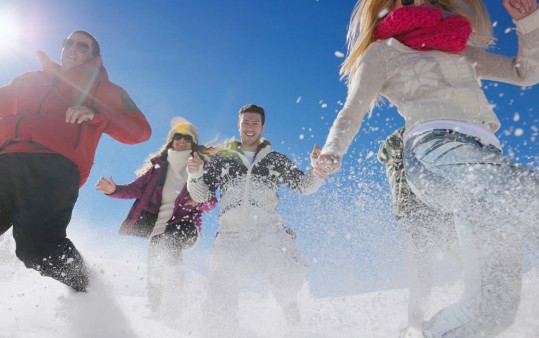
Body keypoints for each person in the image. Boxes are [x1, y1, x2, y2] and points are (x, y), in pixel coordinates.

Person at [314, 0, 539, 337]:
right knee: (523, 191)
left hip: (484, 164)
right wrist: (332, 152)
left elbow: (526, 73)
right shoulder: (383, 52)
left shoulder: (459, 50)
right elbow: (353, 109)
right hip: (433, 151)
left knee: (492, 312)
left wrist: (529, 23)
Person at [0, 30, 152, 292]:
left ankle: (90, 290)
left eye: (82, 46)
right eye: (68, 43)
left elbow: (140, 131)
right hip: (6, 160)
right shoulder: (30, 80)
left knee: (36, 248)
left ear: (94, 56)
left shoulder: (103, 89)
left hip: (55, 167)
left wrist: (96, 114)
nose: (72, 48)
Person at [186, 104, 326, 335]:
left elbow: (303, 186)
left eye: (255, 123)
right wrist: (194, 174)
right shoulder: (223, 159)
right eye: (246, 123)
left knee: (289, 272)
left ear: (263, 127)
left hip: (266, 233)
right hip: (230, 236)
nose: (250, 128)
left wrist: (317, 171)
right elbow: (201, 196)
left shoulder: (275, 160)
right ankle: (223, 331)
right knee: (220, 294)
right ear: (239, 125)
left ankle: (290, 308)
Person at [95, 120, 217, 315]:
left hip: (187, 226)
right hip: (158, 228)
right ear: (172, 141)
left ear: (193, 143)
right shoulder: (157, 168)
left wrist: (199, 201)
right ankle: (156, 312)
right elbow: (133, 189)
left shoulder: (200, 168)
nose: (182, 141)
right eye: (178, 136)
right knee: (154, 267)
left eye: (188, 138)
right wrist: (113, 190)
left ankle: (175, 304)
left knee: (169, 243)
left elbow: (211, 203)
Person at [377, 127, 459, 328]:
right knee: (421, 274)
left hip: (437, 210)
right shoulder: (397, 145)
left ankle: (479, 305)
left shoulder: (433, 139)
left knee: (466, 255)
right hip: (410, 215)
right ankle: (414, 324)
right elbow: (384, 153)